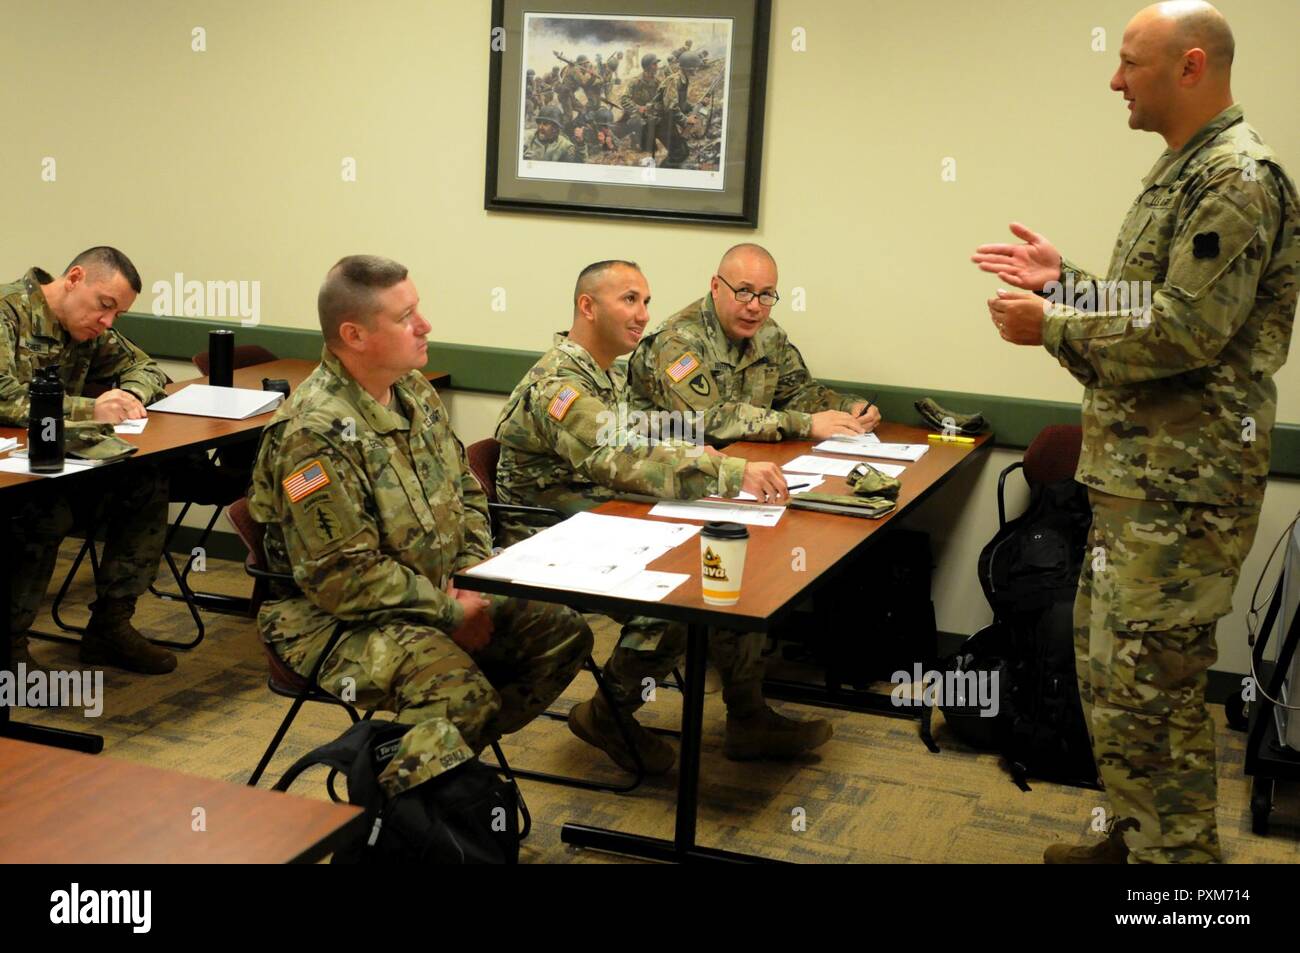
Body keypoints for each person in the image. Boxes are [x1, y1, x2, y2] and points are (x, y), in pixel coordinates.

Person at [972, 1, 1298, 864]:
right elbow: (1149, 306)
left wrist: (1047, 324)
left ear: (1191, 67)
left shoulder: (1236, 177)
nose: (1113, 79)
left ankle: (1183, 883)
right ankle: (1136, 839)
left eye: (1130, 63)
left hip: (1179, 497)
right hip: (1138, 486)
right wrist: (1069, 283)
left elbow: (1186, 333)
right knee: (1113, 683)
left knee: (1154, 696)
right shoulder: (1181, 169)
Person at [248, 255, 593, 798]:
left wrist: (473, 576)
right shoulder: (311, 434)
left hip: (442, 588)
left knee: (562, 632)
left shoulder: (414, 393)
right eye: (406, 316)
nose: (425, 325)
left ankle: (425, 768)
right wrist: (451, 612)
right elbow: (343, 578)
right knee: (461, 696)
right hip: (327, 620)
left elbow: (467, 493)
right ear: (354, 334)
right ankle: (391, 814)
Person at [494, 260, 802, 772]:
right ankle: (609, 714)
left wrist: (717, 460)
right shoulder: (559, 386)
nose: (643, 315)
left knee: (729, 560)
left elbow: (650, 433)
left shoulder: (608, 373)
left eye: (646, 302)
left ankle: (749, 717)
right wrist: (727, 474)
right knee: (679, 597)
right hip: (548, 534)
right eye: (629, 300)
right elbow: (622, 457)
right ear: (587, 307)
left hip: (606, 513)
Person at [1, 247, 175, 674]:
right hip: (13, 472)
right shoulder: (8, 314)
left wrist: (131, 394)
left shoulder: (86, 328)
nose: (107, 322)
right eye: (105, 306)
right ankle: (10, 647)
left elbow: (147, 367)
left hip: (57, 460)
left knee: (144, 483)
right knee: (44, 510)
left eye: (117, 314)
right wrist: (89, 409)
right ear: (74, 278)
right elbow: (4, 397)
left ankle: (110, 626)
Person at [629, 243, 881, 446]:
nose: (754, 306)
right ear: (716, 287)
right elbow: (707, 420)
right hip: (667, 476)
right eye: (744, 291)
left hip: (742, 466)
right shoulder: (676, 343)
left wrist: (848, 409)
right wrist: (806, 425)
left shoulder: (768, 334)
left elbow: (796, 393)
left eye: (766, 295)